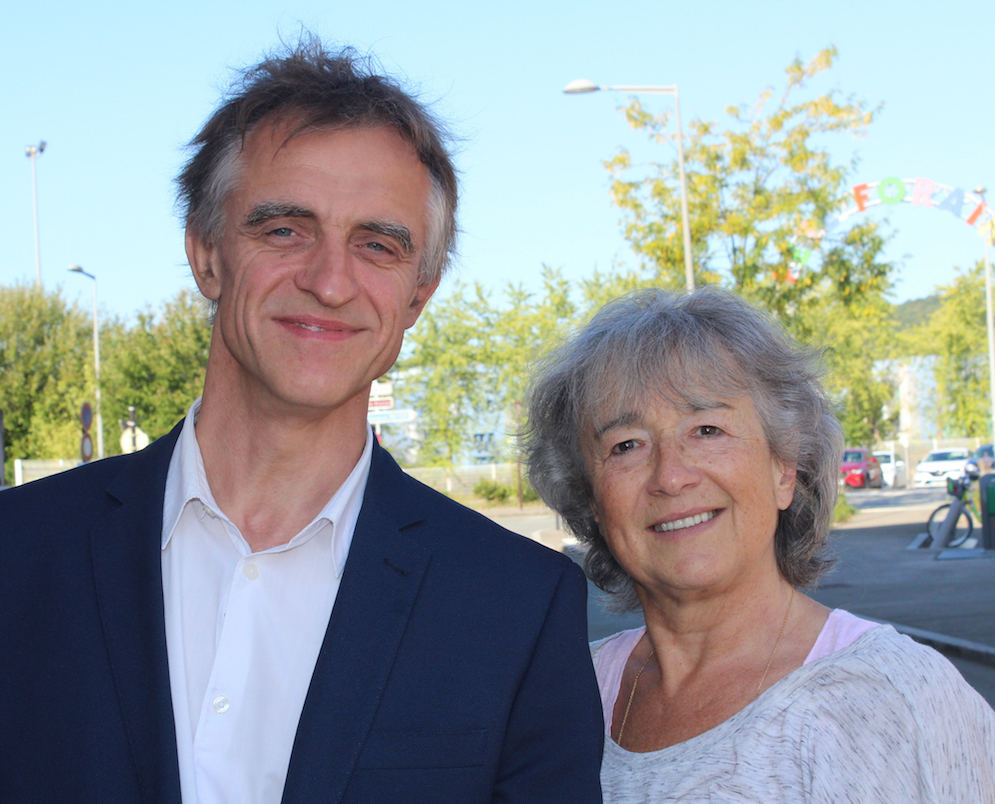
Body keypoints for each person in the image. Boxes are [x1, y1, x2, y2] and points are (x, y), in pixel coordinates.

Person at [0, 40, 603, 804]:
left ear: (419, 295)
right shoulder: (17, 556)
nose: (328, 281)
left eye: (377, 245)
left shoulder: (516, 607)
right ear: (206, 254)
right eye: (285, 230)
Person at [522, 287, 995, 802]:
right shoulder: (565, 692)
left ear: (784, 470)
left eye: (707, 429)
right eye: (627, 445)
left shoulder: (898, 696)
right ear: (591, 500)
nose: (671, 476)